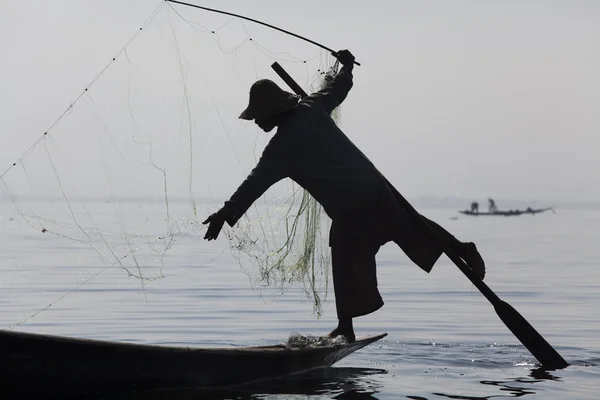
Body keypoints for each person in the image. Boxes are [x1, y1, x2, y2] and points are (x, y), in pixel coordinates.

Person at [202, 49, 485, 342]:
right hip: (372, 185)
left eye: (259, 116)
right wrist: (347, 66)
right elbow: (337, 88)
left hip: (352, 206)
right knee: (410, 226)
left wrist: (225, 213)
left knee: (347, 253)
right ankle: (462, 248)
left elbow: (253, 184)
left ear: (274, 111)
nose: (257, 122)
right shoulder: (313, 106)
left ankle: (345, 328)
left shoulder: (280, 150)